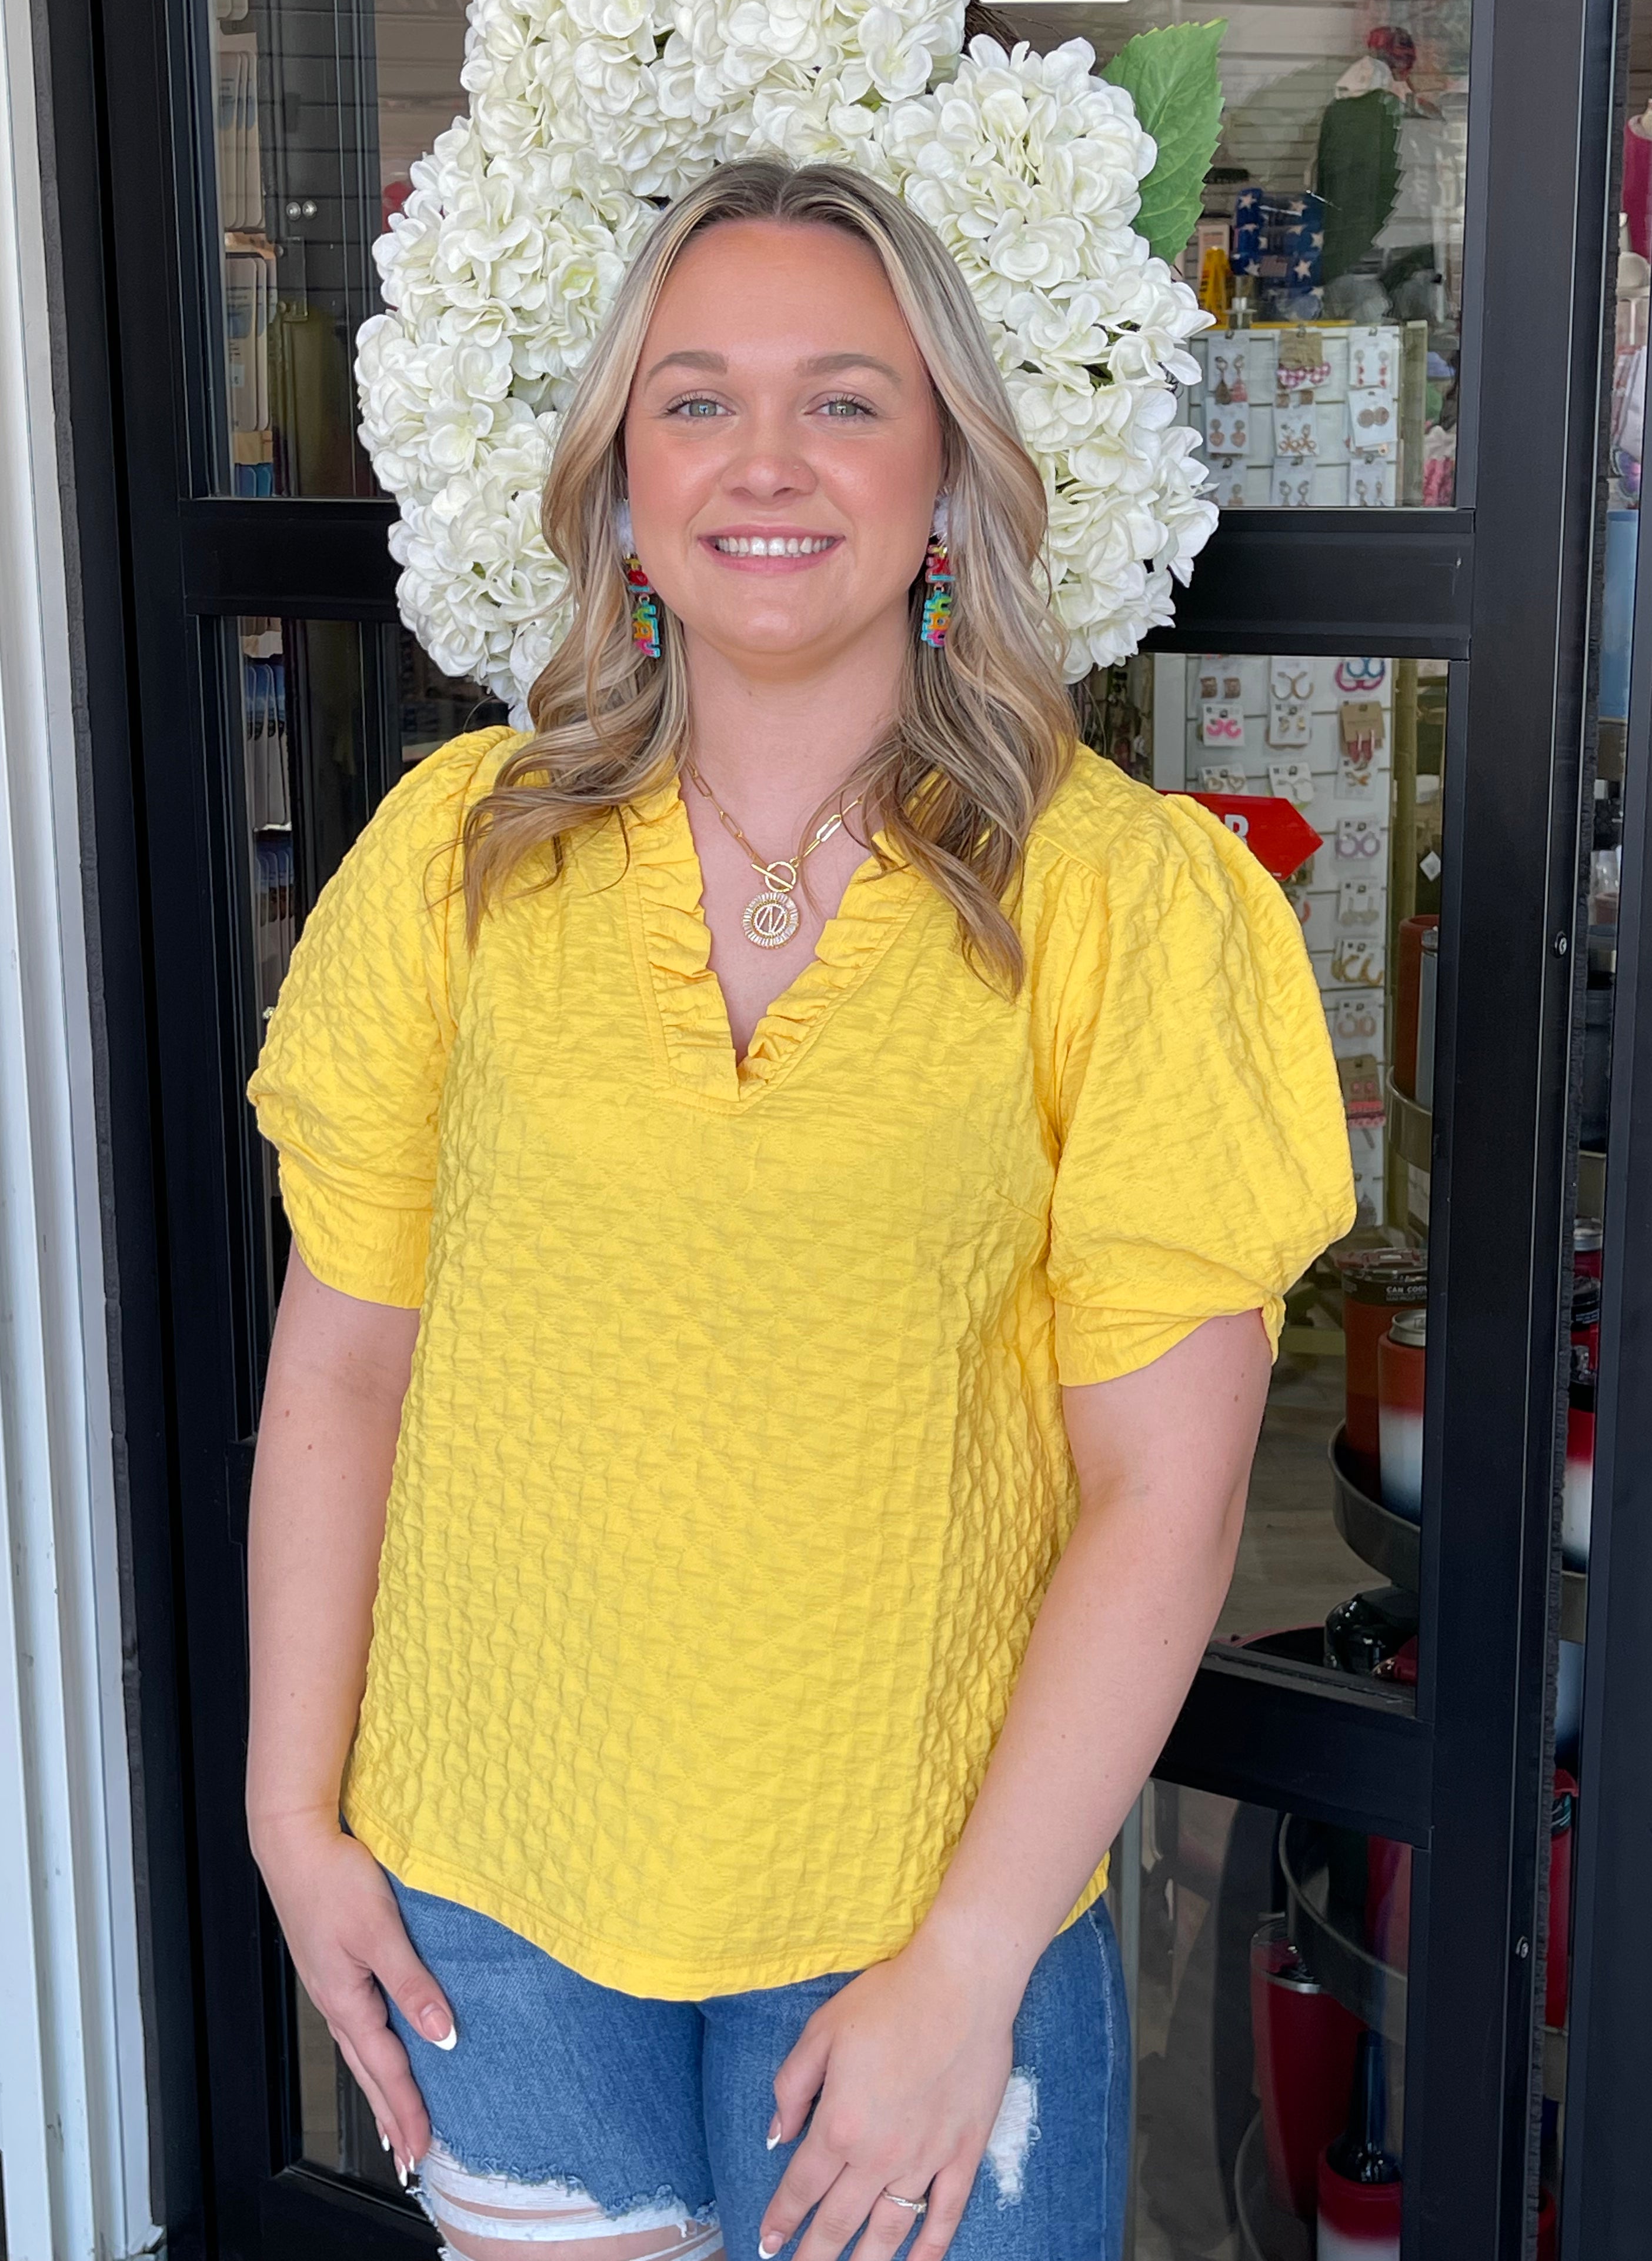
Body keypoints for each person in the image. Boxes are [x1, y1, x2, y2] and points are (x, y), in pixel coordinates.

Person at [244, 158, 1355, 2261]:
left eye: (846, 400)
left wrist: (967, 1970)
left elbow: (1168, 1499)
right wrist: (294, 1820)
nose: (767, 462)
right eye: (696, 399)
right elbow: (345, 1368)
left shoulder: (1119, 902)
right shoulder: (454, 859)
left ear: (949, 470)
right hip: (492, 1895)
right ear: (618, 471)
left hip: (919, 1919)